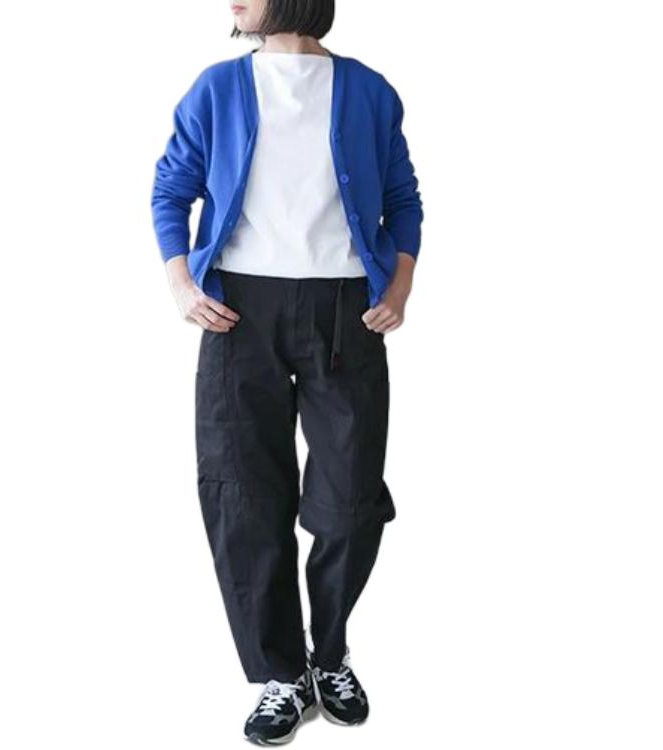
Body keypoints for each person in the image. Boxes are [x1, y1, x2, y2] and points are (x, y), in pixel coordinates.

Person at [150, 0, 423, 744]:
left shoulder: (368, 91)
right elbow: (172, 188)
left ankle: (328, 654)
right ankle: (280, 674)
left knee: (349, 499)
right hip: (238, 314)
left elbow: (402, 199)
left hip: (347, 313)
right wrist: (181, 283)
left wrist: (399, 287)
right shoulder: (216, 87)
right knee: (243, 498)